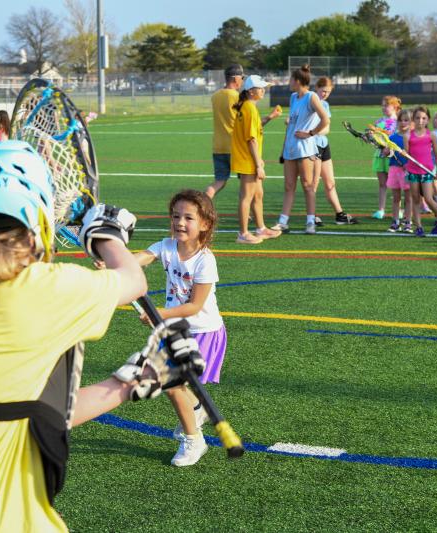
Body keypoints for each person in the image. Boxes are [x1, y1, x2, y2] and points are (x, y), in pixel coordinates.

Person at [0, 140, 201, 531]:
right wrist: (106, 232)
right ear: (37, 214)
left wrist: (131, 382)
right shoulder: (44, 289)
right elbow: (132, 280)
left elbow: (24, 414)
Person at [134, 189, 226, 467]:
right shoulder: (167, 246)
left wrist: (159, 313)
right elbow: (142, 257)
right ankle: (197, 410)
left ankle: (194, 440)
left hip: (203, 332)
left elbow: (195, 306)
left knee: (172, 385)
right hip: (174, 329)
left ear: (205, 224)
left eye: (189, 217)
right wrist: (116, 263)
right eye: (176, 216)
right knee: (173, 385)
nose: (180, 223)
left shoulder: (205, 261)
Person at [271, 65, 330, 235]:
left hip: (305, 149)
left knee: (307, 186)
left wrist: (310, 133)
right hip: (290, 149)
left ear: (297, 81)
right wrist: (283, 148)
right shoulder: (293, 97)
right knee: (289, 186)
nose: (289, 82)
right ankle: (283, 222)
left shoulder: (311, 97)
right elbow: (292, 125)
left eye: (291, 79)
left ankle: (310, 221)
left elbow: (325, 119)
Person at [232, 74, 282, 244]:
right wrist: (258, 164)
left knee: (258, 194)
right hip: (247, 159)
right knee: (246, 196)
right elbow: (251, 139)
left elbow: (254, 128)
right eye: (260, 88)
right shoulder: (249, 108)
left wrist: (270, 117)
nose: (263, 91)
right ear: (251, 91)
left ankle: (261, 228)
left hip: (249, 158)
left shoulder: (247, 107)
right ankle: (243, 233)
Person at [311, 76, 356, 225]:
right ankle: (312, 215)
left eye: (328, 92)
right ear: (316, 88)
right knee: (313, 184)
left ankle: (339, 214)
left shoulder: (325, 105)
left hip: (323, 145)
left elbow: (327, 128)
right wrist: (314, 132)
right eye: (323, 91)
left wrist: (316, 131)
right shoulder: (309, 101)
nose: (325, 94)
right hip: (312, 146)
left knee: (330, 183)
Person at [404, 106, 437, 236]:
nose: (420, 121)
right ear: (413, 119)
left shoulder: (431, 135)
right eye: (417, 118)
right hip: (412, 172)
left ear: (428, 120)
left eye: (424, 118)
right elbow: (406, 153)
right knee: (415, 200)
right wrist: (402, 153)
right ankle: (419, 227)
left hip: (427, 172)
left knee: (428, 198)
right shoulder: (407, 135)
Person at [205, 64, 244, 199]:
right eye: (242, 77)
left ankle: (203, 204)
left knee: (219, 181)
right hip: (236, 146)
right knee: (246, 182)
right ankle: (245, 211)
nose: (242, 81)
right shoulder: (238, 97)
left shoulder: (215, 96)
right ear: (235, 79)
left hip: (218, 146)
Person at [371, 96, 400, 219]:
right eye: (382, 105)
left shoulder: (399, 122)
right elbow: (374, 139)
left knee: (396, 185)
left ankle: (399, 210)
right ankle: (381, 210)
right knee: (382, 184)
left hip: (393, 156)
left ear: (395, 107)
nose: (383, 108)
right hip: (380, 155)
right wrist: (371, 138)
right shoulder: (378, 122)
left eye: (386, 105)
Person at [385, 109, 413, 233]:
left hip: (407, 171)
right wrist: (385, 151)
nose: (403, 123)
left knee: (408, 198)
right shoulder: (392, 137)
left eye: (406, 120)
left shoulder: (413, 137)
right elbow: (387, 152)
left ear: (412, 122)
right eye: (401, 120)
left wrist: (409, 164)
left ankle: (408, 221)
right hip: (394, 169)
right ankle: (395, 221)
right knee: (396, 198)